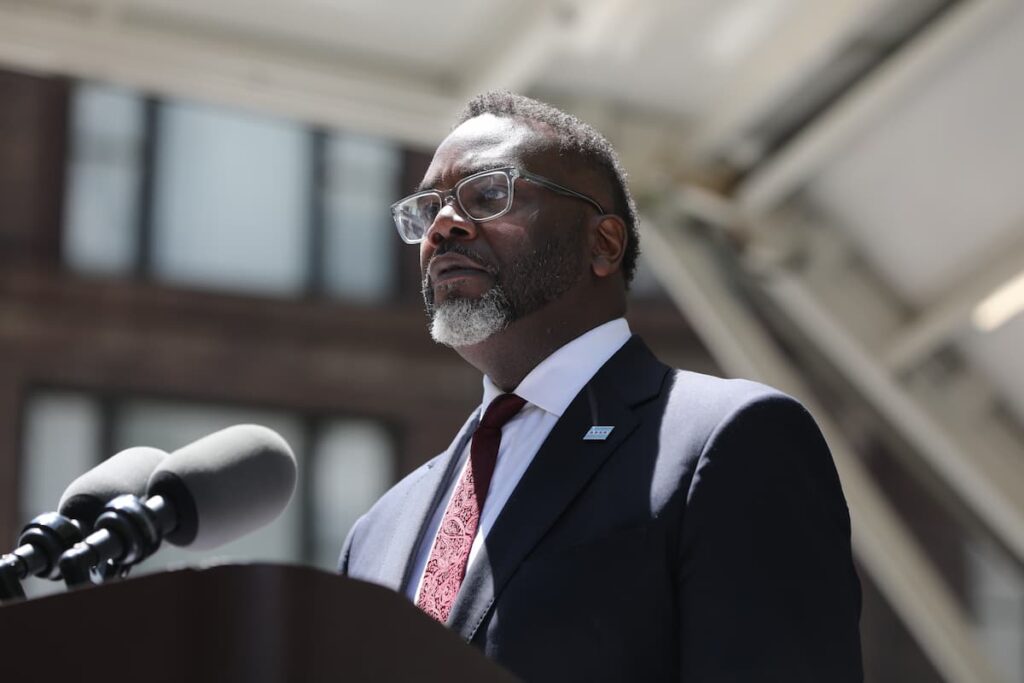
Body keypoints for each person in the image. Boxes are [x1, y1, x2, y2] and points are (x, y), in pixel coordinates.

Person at [339, 91, 862, 682]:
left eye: (488, 194)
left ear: (604, 244)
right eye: (427, 210)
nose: (444, 226)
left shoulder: (729, 439)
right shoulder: (377, 531)